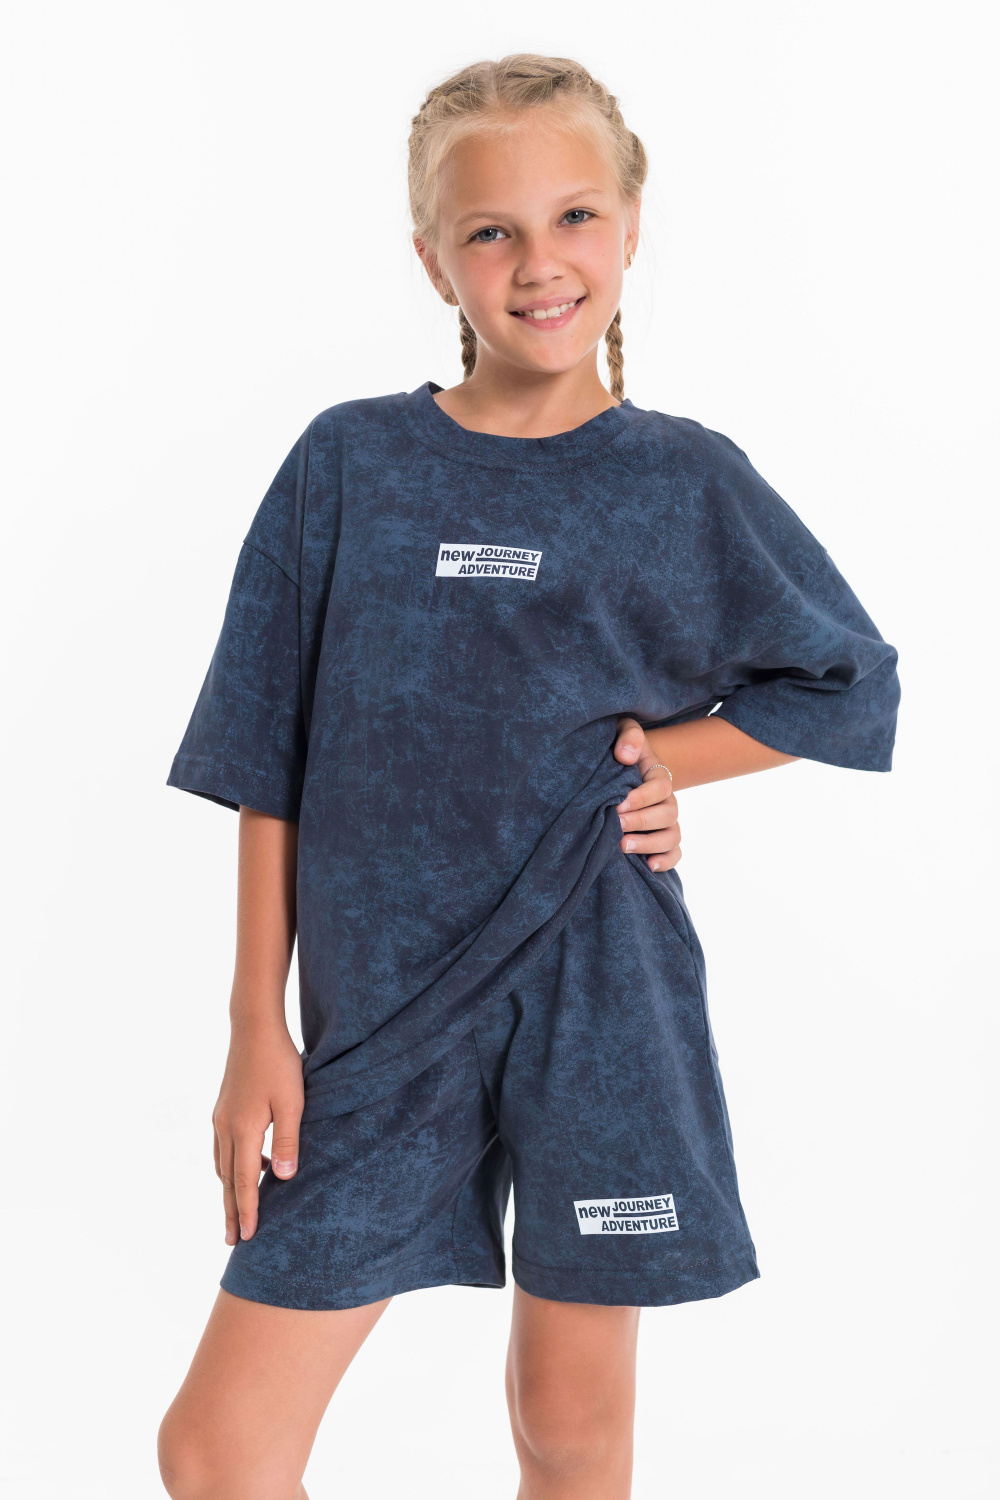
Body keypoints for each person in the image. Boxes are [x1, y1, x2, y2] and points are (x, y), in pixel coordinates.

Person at [157, 53, 899, 1500]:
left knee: (567, 1427)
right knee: (219, 1449)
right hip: (381, 1017)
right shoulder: (349, 465)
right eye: (491, 230)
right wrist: (256, 1023)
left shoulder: (683, 480)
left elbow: (847, 677)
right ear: (431, 256)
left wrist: (665, 759)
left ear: (631, 226)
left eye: (575, 218)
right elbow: (267, 753)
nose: (539, 263)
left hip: (600, 988)